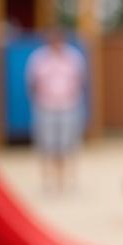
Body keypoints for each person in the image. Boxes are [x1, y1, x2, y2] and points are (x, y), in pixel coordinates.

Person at [24, 27, 87, 191]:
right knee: (47, 143)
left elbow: (81, 81)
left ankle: (66, 179)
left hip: (69, 105)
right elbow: (31, 83)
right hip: (45, 105)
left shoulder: (74, 57)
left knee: (68, 143)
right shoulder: (38, 58)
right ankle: (48, 179)